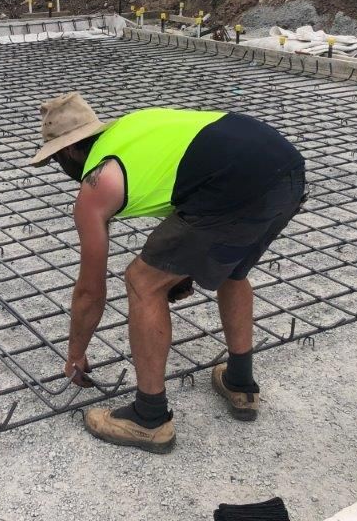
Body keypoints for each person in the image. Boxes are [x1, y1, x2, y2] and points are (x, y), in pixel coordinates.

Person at [30, 92, 305, 454]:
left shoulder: (97, 183)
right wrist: (183, 271)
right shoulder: (133, 130)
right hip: (286, 167)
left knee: (142, 281)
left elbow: (90, 292)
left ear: (67, 152)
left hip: (234, 184)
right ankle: (240, 382)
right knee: (233, 271)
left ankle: (149, 418)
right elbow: (199, 180)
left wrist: (75, 353)